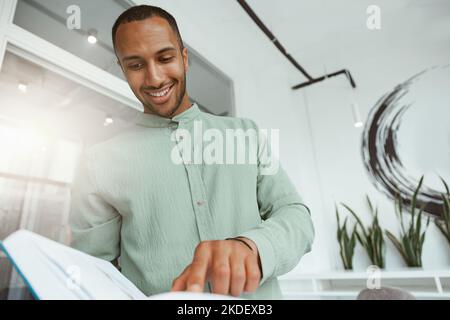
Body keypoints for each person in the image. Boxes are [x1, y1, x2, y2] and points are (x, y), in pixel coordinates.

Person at [69, 5, 314, 299]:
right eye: (136, 65)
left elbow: (297, 216)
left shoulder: (246, 134)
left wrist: (253, 246)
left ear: (184, 58)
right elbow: (94, 272)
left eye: (165, 58)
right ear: (122, 69)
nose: (155, 78)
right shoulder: (98, 163)